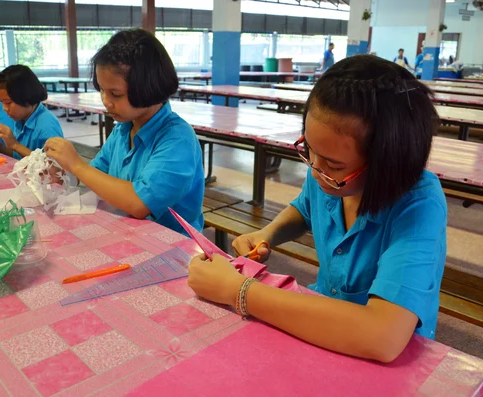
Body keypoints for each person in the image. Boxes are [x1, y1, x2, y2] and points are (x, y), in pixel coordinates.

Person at [187, 55, 447, 363]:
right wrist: (268, 233)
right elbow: (305, 209)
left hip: (380, 357)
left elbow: (383, 336)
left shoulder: (419, 206)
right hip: (319, 319)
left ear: (387, 165)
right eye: (309, 149)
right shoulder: (327, 176)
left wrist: (239, 291)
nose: (315, 170)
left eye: (334, 165)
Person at [44, 28, 204, 235]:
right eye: (101, 90)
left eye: (115, 94)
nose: (105, 101)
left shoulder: (177, 139)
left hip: (172, 245)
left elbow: (139, 204)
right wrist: (63, 173)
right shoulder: (123, 129)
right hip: (129, 233)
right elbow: (97, 174)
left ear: (148, 87)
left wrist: (76, 165)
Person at [0, 65, 63, 159]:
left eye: (8, 103)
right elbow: (18, 157)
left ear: (25, 96)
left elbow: (52, 167)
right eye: (1, 102)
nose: (4, 108)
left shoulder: (46, 126)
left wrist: (15, 144)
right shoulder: (22, 119)